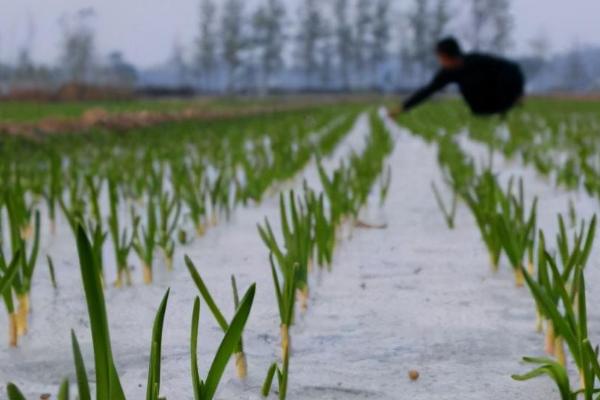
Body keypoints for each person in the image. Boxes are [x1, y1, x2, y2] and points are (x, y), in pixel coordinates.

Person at [389, 37, 525, 117]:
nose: (440, 61)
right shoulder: (448, 72)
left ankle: (506, 108)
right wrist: (402, 107)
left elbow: (512, 69)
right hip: (482, 107)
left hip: (501, 93)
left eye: (440, 58)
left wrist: (516, 93)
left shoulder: (477, 61)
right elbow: (428, 90)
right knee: (469, 90)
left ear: (448, 56)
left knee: (478, 84)